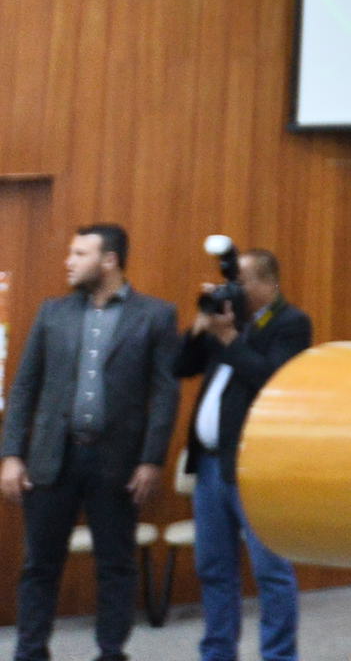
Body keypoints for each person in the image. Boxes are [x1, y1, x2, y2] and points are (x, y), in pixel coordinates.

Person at [2, 224, 179, 661]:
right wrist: (11, 454)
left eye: (80, 253)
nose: (69, 261)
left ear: (109, 260)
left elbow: (165, 394)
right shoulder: (52, 313)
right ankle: (30, 652)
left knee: (116, 565)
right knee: (39, 565)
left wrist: (152, 460)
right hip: (52, 457)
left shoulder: (156, 315)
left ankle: (111, 652)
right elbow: (24, 388)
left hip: (117, 463)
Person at [175, 248, 312, 661]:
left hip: (256, 465)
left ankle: (279, 656)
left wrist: (229, 339)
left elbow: (272, 379)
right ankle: (218, 653)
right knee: (214, 569)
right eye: (230, 282)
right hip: (210, 465)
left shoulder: (291, 323)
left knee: (270, 570)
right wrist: (200, 327)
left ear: (269, 284)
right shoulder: (227, 322)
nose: (232, 290)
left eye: (241, 282)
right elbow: (180, 367)